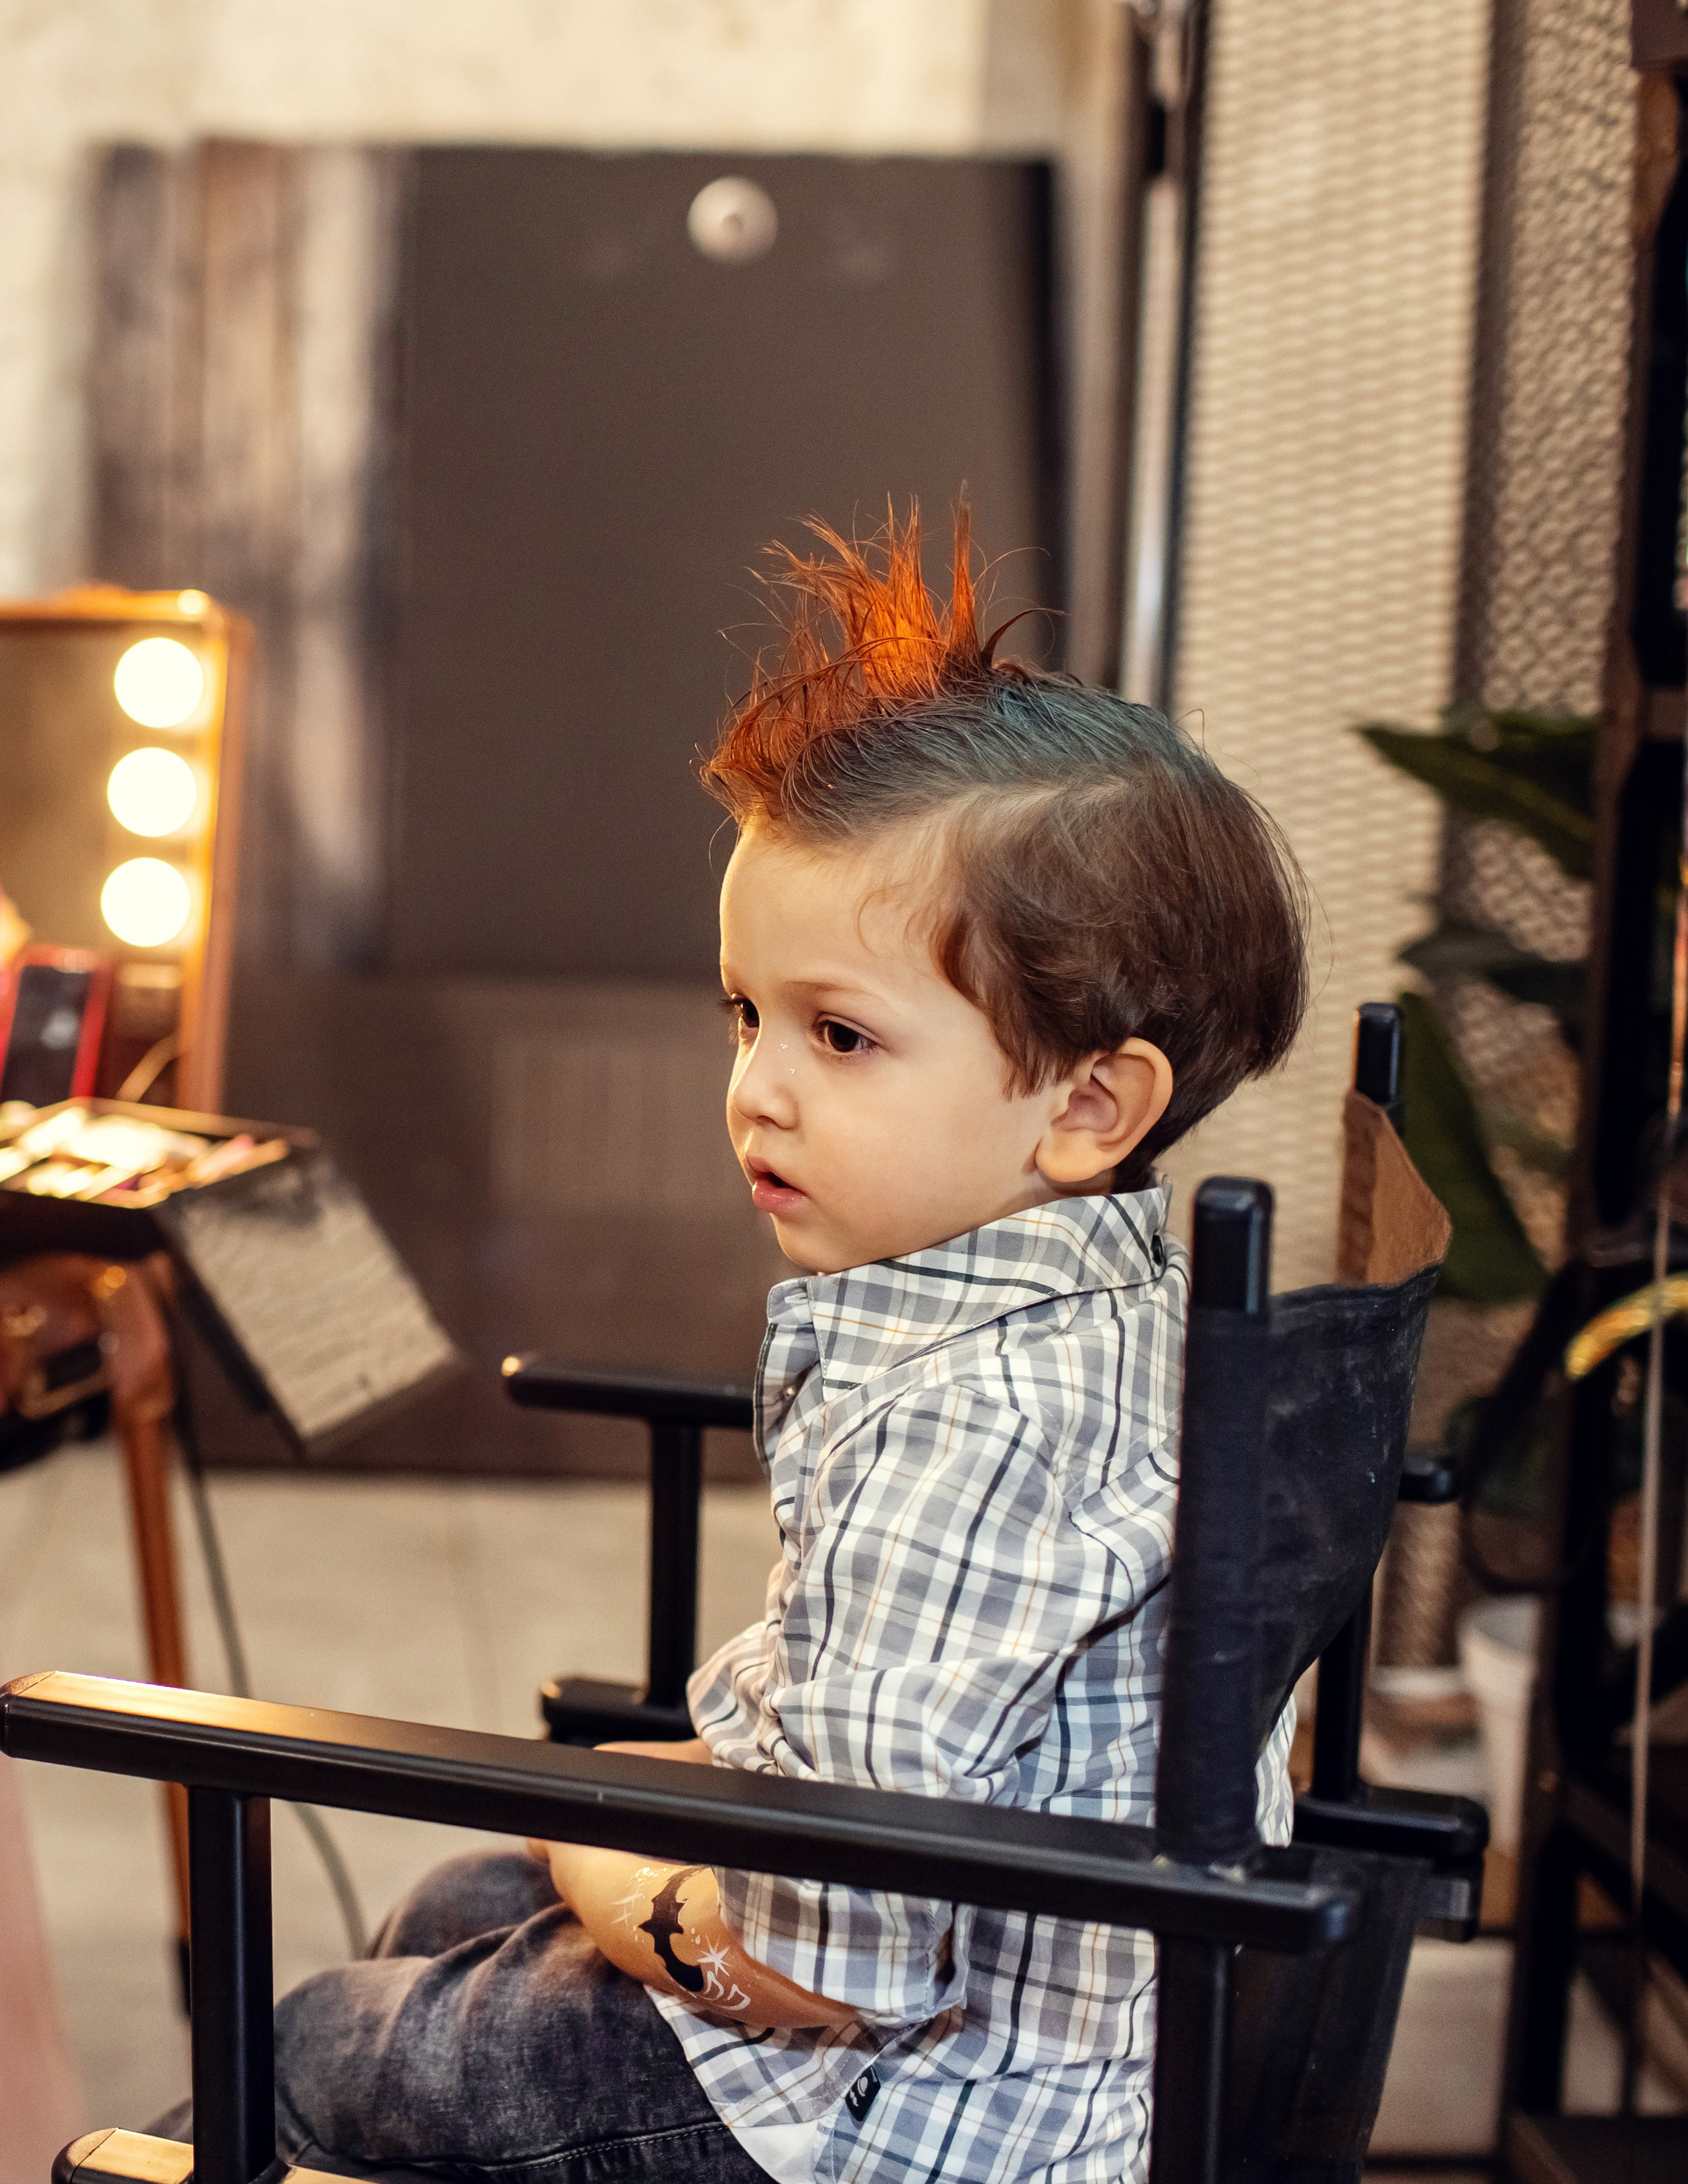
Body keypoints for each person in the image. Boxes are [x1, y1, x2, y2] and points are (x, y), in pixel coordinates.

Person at [262, 506, 1310, 2184]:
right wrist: (645, 1802)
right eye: (745, 1013)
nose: (756, 1085)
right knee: (459, 1909)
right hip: (985, 2021)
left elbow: (829, 1968)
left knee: (307, 2050)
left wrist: (594, 1829)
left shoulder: (981, 1431)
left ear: (1089, 1102)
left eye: (839, 1033)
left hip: (879, 2123)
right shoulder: (1093, 1301)